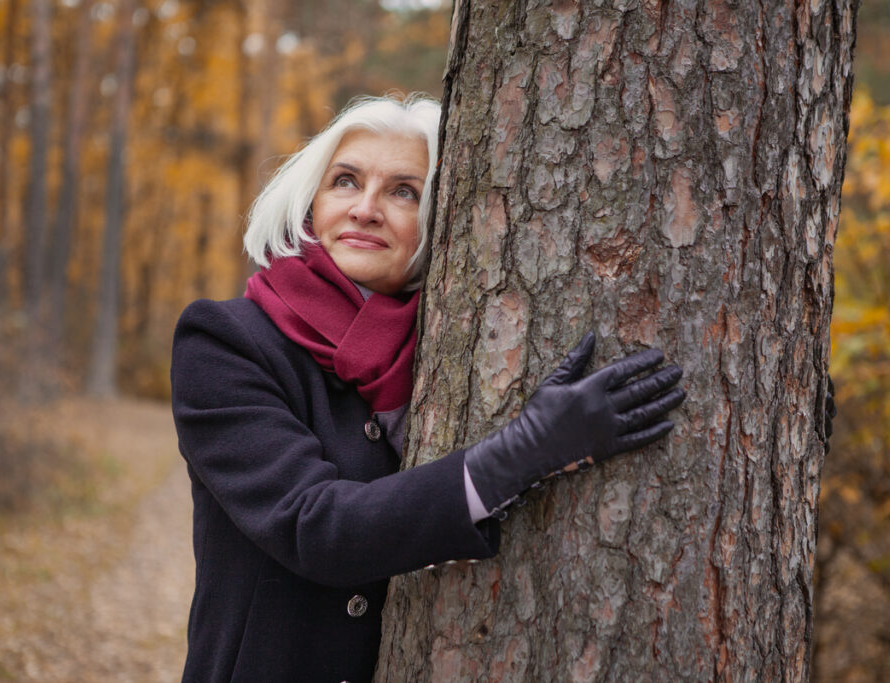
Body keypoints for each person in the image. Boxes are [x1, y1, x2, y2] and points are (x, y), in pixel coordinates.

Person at [170, 94, 686, 682]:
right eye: (345, 181)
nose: (365, 209)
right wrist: (524, 451)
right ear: (310, 203)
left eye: (403, 191)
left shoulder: (454, 347)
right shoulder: (225, 341)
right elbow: (315, 525)